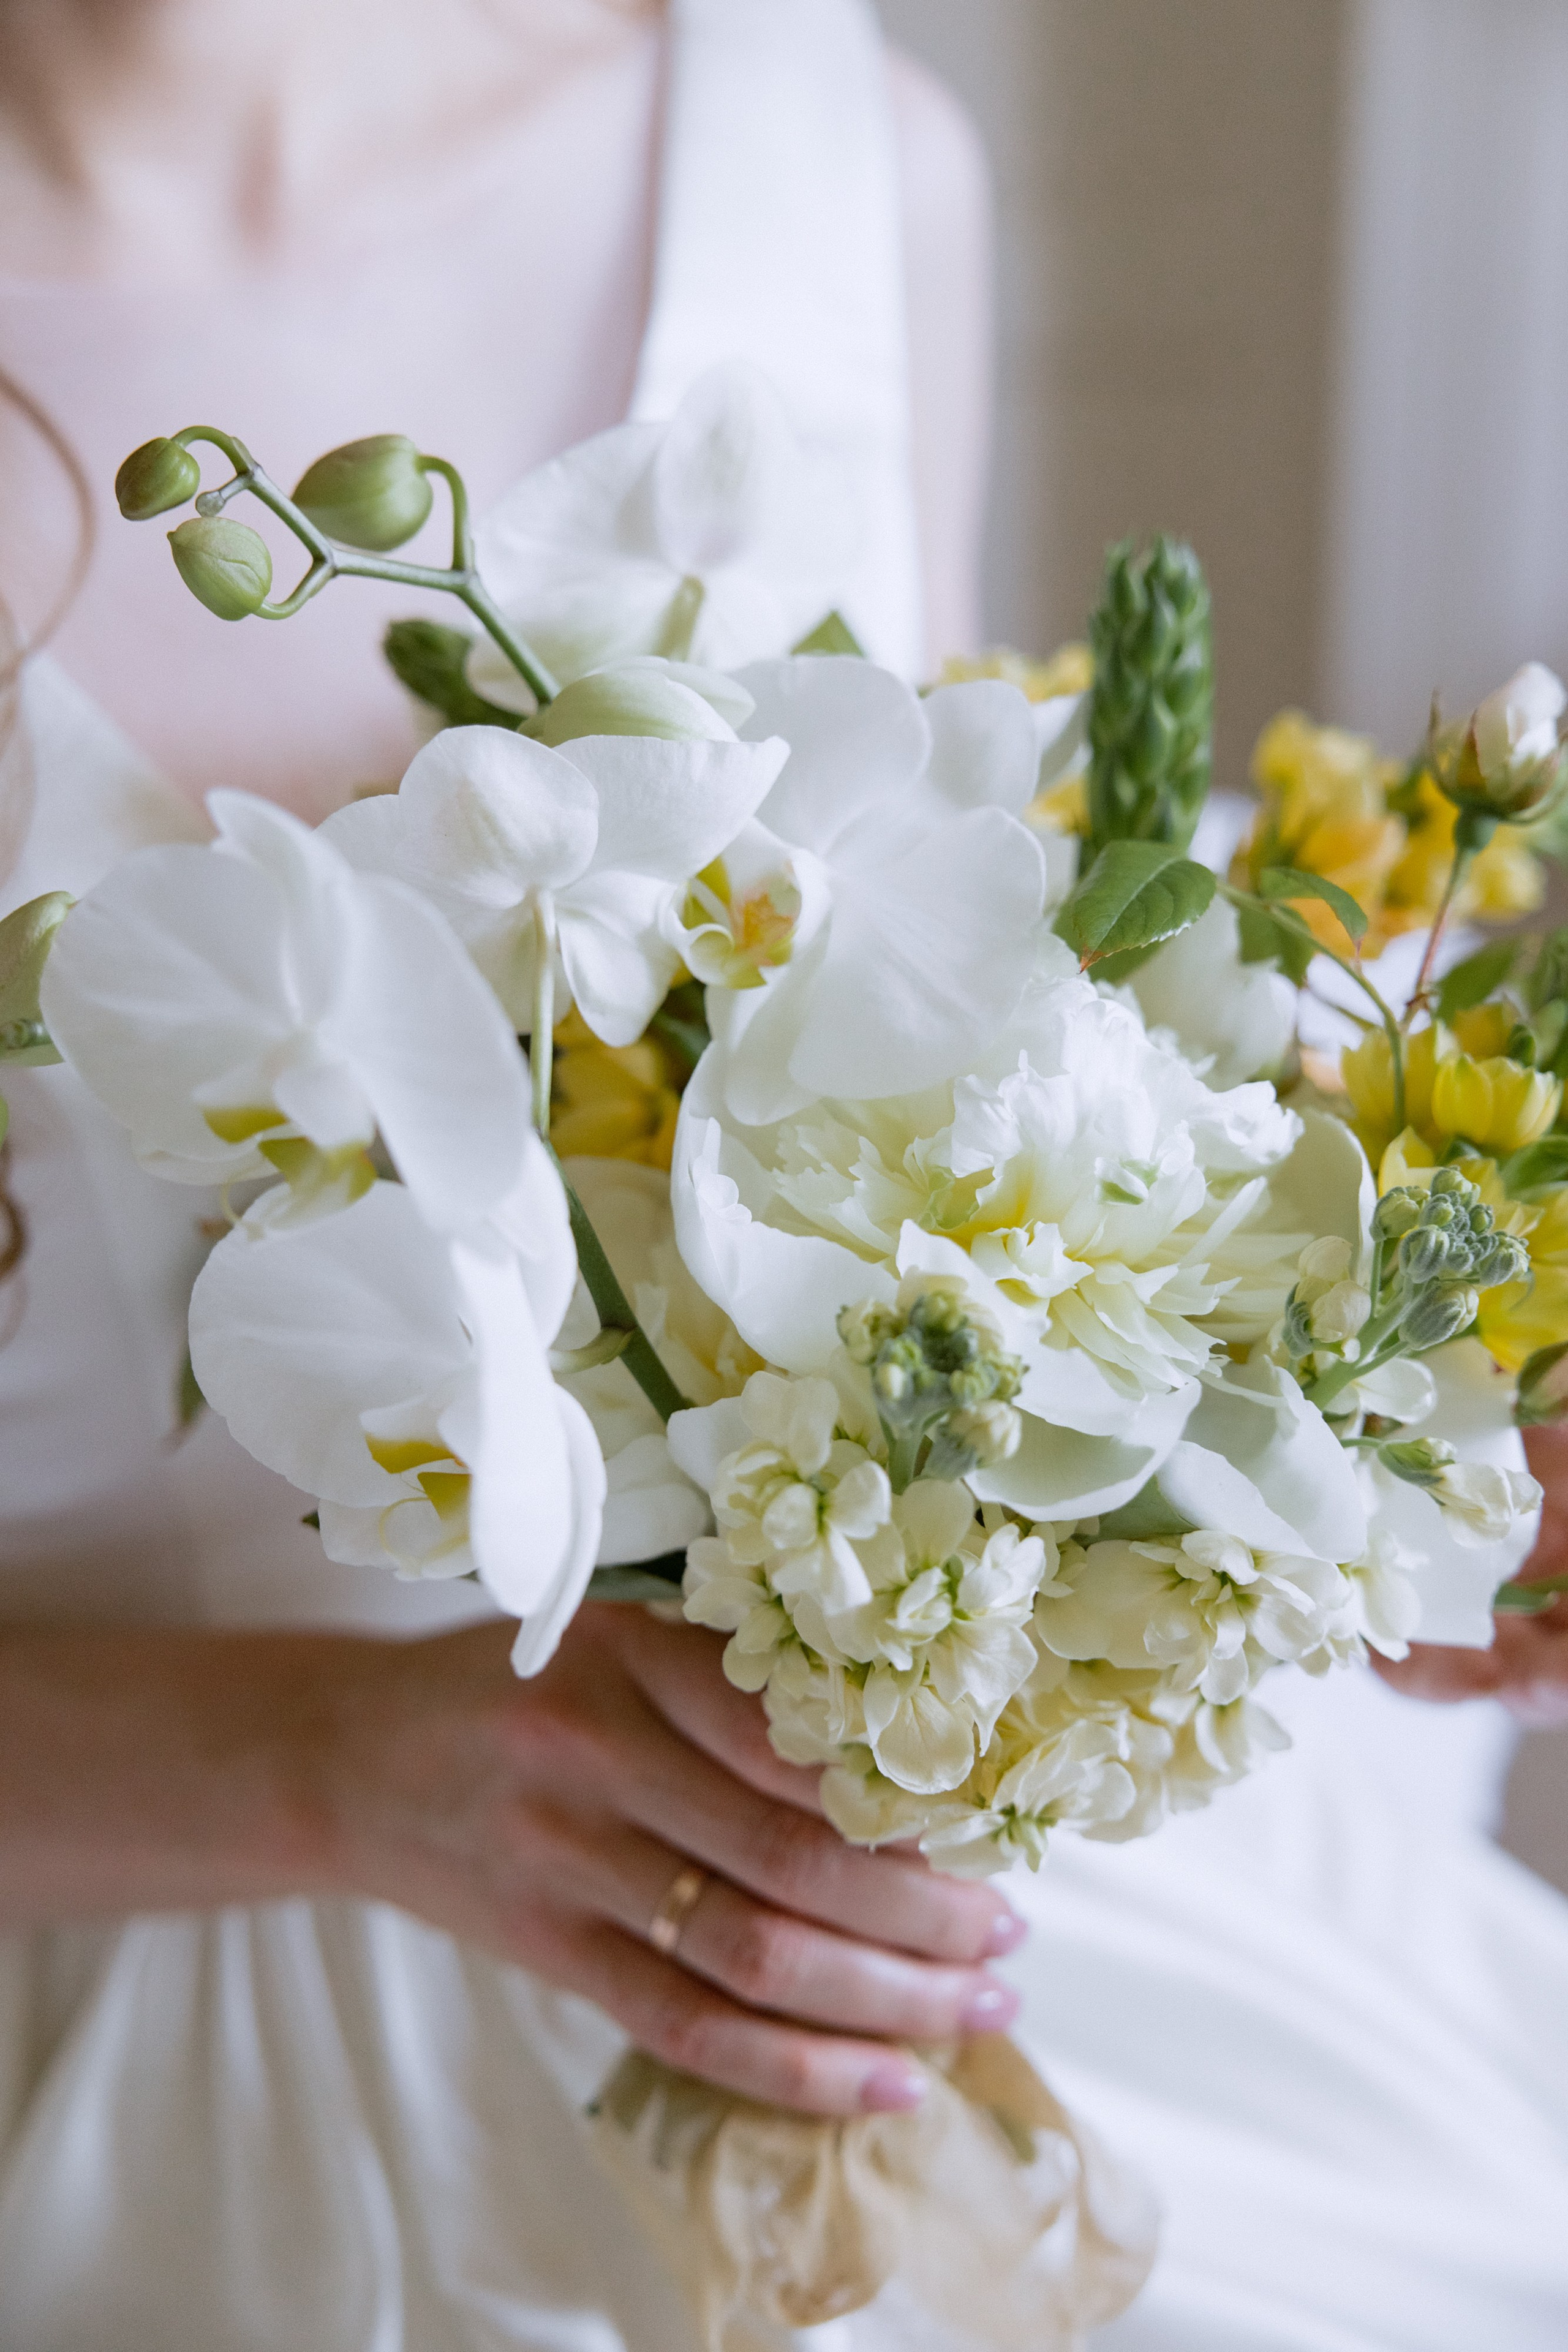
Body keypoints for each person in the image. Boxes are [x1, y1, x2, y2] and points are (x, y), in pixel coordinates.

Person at [1, 4, 1566, 2348]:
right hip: (156, 2041)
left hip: (924, 1931)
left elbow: (931, 1090)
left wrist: (1282, 1489)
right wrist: (334, 1768)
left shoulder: (819, 168)